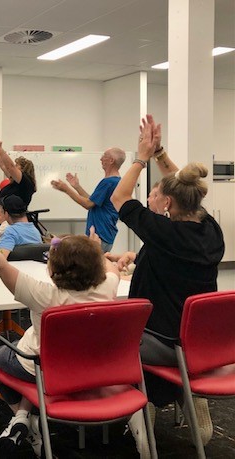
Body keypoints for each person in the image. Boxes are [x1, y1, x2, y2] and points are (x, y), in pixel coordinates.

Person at [0, 201, 119, 456]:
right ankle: (25, 415)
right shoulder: (109, 287)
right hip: (90, 367)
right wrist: (94, 248)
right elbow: (111, 268)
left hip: (44, 369)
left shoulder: (43, 294)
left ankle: (22, 416)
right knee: (33, 354)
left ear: (53, 268)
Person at [107, 114, 225, 451]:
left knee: (112, 339)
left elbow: (119, 199)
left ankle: (143, 411)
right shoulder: (212, 232)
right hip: (201, 343)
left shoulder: (163, 232)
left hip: (163, 341)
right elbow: (184, 189)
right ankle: (191, 398)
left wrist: (142, 157)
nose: (150, 201)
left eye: (158, 196)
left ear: (168, 203)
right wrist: (160, 154)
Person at [50, 147, 126, 252]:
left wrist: (66, 189)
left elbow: (88, 204)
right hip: (105, 235)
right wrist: (76, 186)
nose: (101, 159)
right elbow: (92, 201)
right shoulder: (115, 181)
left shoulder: (108, 182)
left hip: (100, 236)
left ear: (111, 160)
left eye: (104, 156)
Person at [0, 140, 37, 217]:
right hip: (2, 220)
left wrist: (0, 148)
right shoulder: (15, 181)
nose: (15, 166)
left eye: (17, 165)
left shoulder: (26, 182)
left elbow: (10, 167)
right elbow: (3, 165)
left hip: (13, 220)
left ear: (23, 169)